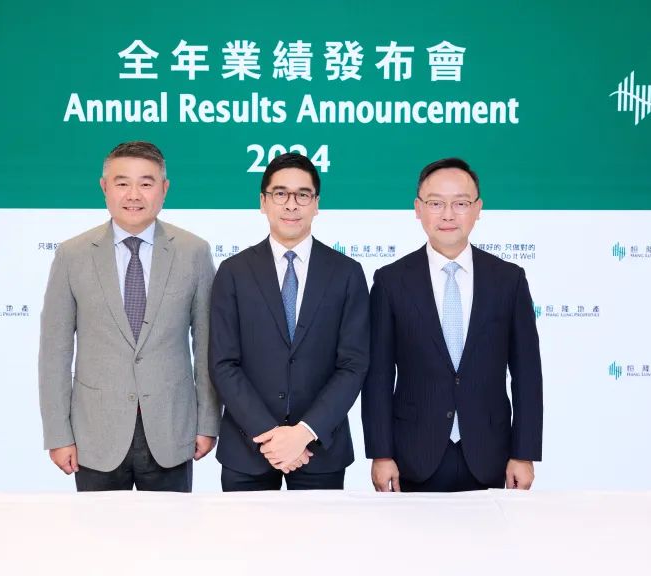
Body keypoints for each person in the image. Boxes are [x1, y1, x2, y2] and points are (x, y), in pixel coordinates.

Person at [38, 141, 219, 492]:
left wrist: (208, 423)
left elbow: (208, 344)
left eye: (146, 183)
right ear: (104, 187)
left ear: (164, 189)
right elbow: (54, 353)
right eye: (122, 183)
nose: (133, 195)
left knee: (171, 527)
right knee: (97, 529)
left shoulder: (193, 252)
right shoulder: (72, 255)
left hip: (172, 430)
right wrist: (58, 434)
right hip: (94, 435)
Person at [362, 157, 543, 492]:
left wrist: (524, 452)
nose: (448, 215)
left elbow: (527, 374)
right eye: (436, 203)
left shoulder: (508, 280)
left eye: (460, 203)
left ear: (478, 209)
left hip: (490, 452)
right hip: (413, 454)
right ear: (418, 209)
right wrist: (381, 453)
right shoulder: (391, 281)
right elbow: (378, 377)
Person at [209, 153, 369, 491]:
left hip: (320, 450)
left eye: (302, 195)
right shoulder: (234, 272)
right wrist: (270, 436)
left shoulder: (346, 273)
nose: (291, 204)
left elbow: (353, 365)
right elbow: (223, 363)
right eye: (280, 193)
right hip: (248, 448)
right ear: (263, 202)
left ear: (316, 204)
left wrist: (303, 433)